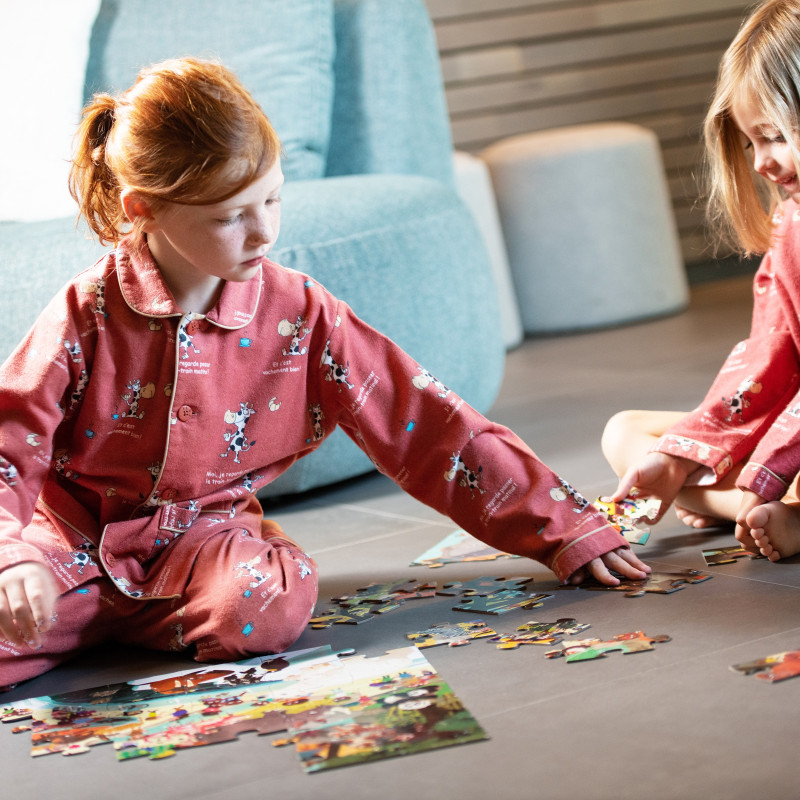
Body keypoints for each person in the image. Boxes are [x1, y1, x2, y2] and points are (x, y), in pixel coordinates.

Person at [0, 57, 648, 690]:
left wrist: (564, 529)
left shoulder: (302, 313)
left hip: (204, 544)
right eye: (229, 216)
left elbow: (425, 421)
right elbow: (8, 447)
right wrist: (12, 561)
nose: (263, 232)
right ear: (142, 209)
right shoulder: (85, 313)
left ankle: (120, 620)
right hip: (67, 547)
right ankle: (106, 618)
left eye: (273, 198)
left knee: (262, 606)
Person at [602, 0, 800, 564]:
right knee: (625, 433)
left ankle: (747, 503)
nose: (760, 163)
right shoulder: (791, 223)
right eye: (750, 142)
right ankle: (753, 502)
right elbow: (768, 359)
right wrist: (679, 458)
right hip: (792, 430)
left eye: (774, 136)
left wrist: (762, 469)